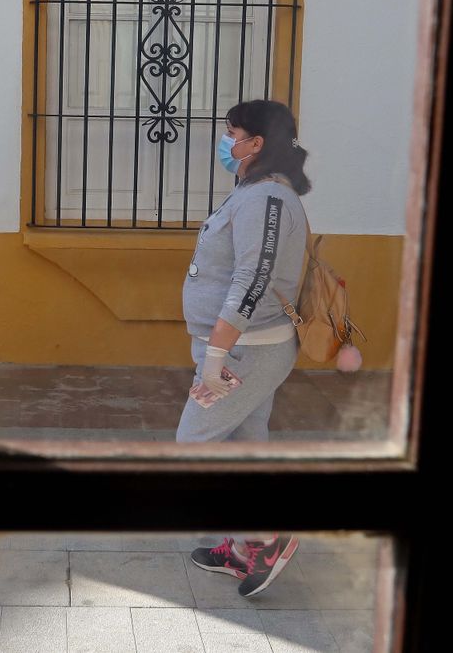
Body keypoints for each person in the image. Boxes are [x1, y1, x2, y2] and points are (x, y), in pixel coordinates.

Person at [179, 98, 311, 597]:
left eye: (231, 133)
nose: (225, 141)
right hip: (241, 349)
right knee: (244, 444)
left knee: (193, 448)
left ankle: (265, 537)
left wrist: (215, 358)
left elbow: (253, 279)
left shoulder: (265, 200)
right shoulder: (252, 191)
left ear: (256, 144)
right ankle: (241, 549)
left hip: (242, 353)